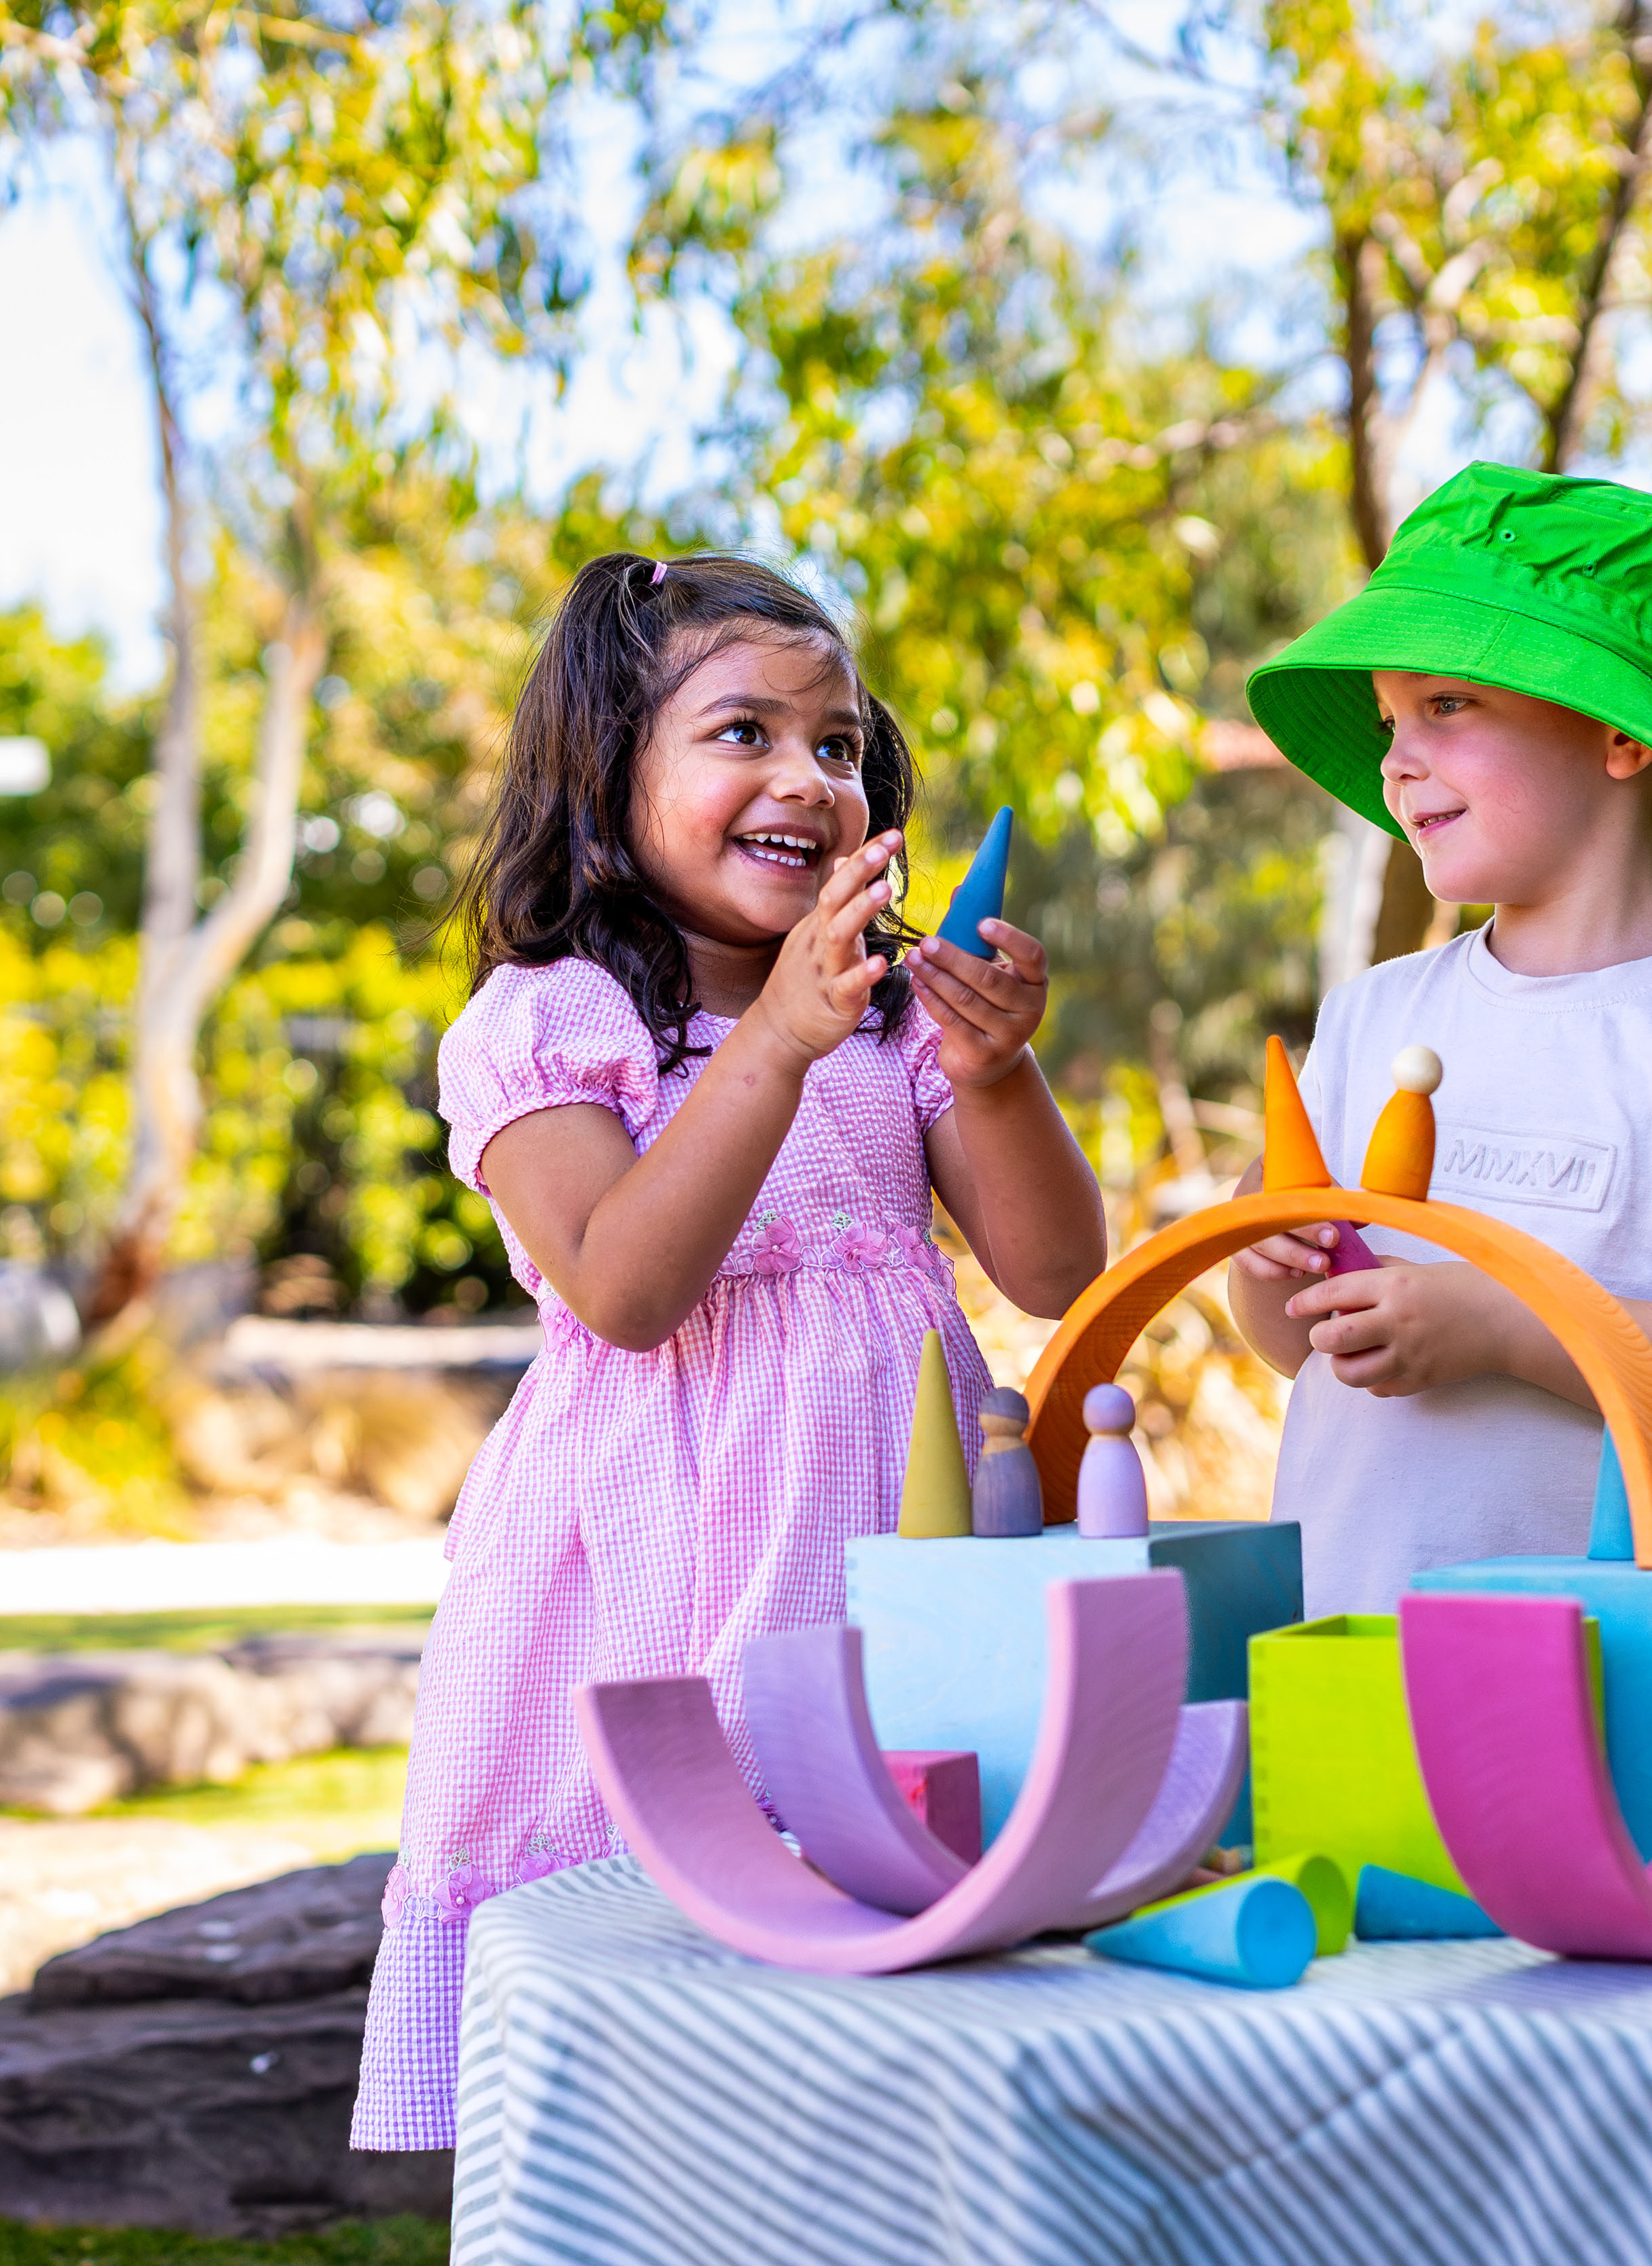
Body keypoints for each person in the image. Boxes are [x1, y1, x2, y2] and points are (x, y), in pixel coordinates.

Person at [353, 552, 1106, 2150]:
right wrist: (774, 1036)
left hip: (881, 1570)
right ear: (606, 778)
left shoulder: (890, 1024)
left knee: (880, 2023)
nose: (806, 778)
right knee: (663, 2018)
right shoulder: (547, 1020)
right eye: (744, 732)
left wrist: (995, 1069)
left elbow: (1054, 1268)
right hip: (652, 1589)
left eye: (839, 746)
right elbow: (628, 1287)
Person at [1229, 464, 1652, 1615]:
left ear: (1619, 735)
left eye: (1446, 705)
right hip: (1346, 1634)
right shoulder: (1374, 1014)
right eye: (1390, 721)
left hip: (1613, 1665)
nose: (1395, 761)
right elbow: (1295, 1347)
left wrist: (1504, 1324)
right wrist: (1262, 1255)